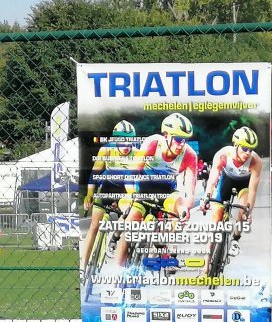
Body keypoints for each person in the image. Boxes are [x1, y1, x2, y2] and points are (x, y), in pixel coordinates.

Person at [114, 113, 198, 266]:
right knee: (129, 226)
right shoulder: (153, 143)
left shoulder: (190, 155)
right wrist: (132, 194)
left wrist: (185, 210)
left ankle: (169, 248)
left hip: (167, 191)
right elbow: (132, 173)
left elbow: (190, 192)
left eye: (185, 140)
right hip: (143, 188)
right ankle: (116, 273)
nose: (181, 144)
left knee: (180, 208)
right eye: (178, 139)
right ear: (166, 135)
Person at [81, 119, 138, 270]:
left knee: (128, 215)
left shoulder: (137, 154)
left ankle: (115, 239)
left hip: (125, 191)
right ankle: (83, 267)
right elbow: (94, 174)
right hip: (107, 187)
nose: (126, 145)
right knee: (94, 225)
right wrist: (89, 194)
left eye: (130, 141)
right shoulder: (106, 150)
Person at [202, 126, 263, 257]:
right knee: (216, 218)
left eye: (251, 149)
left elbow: (252, 191)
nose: (248, 153)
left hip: (244, 185)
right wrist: (207, 196)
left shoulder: (255, 161)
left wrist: (248, 211)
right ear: (235, 145)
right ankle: (206, 263)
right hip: (226, 182)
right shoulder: (223, 154)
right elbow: (213, 178)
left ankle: (235, 239)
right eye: (245, 148)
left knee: (243, 209)